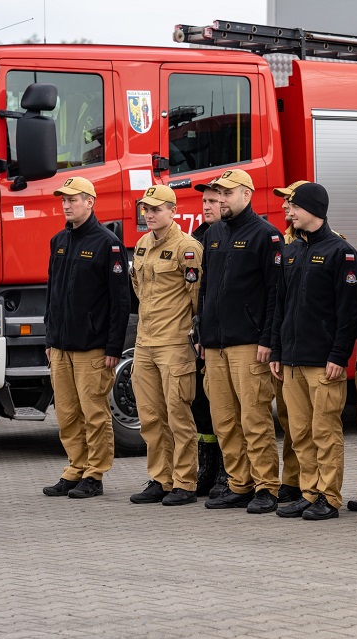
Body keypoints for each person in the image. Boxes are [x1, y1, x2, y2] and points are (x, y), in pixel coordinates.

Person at [269, 182, 357, 520]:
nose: (288, 212)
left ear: (313, 210)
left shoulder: (342, 252)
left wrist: (339, 355)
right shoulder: (291, 251)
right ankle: (309, 493)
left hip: (324, 363)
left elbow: (349, 311)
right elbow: (281, 305)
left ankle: (329, 497)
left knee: (324, 431)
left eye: (294, 206)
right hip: (292, 360)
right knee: (300, 433)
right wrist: (278, 350)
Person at [198, 169, 284, 513]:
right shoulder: (214, 233)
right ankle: (239, 483)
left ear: (246, 194)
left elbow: (276, 293)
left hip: (249, 343)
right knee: (224, 419)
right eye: (218, 193)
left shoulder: (266, 235)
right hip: (216, 343)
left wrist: (267, 338)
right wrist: (203, 334)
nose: (220, 199)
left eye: (227, 193)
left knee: (254, 417)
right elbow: (205, 289)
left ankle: (266, 486)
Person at [42, 177, 130, 500]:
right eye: (63, 200)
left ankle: (95, 473)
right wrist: (49, 338)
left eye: (73, 200)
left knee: (94, 413)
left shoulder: (109, 244)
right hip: (61, 347)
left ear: (90, 202)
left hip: (92, 348)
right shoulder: (58, 241)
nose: (66, 205)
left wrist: (113, 346)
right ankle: (75, 468)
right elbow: (52, 293)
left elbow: (121, 301)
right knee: (66, 412)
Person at [128, 185, 204, 506]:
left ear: (173, 211)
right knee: (150, 416)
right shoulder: (143, 244)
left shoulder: (187, 248)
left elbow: (196, 296)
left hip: (174, 343)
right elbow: (138, 288)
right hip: (145, 342)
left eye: (156, 209)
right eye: (146, 209)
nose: (149, 214)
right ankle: (161, 478)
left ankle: (185, 482)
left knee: (177, 414)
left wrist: (196, 338)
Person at [270, 180, 310, 504]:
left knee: (311, 424)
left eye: (291, 201)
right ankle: (292, 479)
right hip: (286, 347)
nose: (285, 206)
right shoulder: (282, 242)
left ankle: (309, 484)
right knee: (288, 419)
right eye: (284, 201)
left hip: (311, 352)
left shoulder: (326, 243)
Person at [192, 180, 225, 497]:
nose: (207, 206)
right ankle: (208, 467)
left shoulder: (223, 238)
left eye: (213, 201)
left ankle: (227, 472)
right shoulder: (199, 238)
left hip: (225, 340)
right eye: (204, 201)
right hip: (202, 338)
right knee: (202, 406)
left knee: (226, 407)